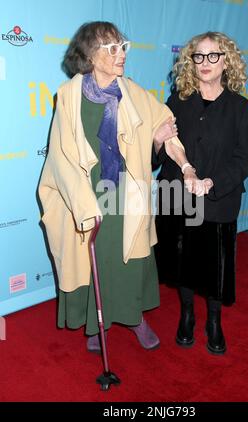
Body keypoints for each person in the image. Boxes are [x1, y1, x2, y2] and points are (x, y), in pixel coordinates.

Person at [38, 21, 206, 354]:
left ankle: (133, 318)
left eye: (122, 46)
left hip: (127, 194)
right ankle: (95, 323)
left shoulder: (133, 92)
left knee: (128, 259)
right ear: (90, 54)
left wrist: (186, 167)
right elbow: (60, 158)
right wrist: (84, 205)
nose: (121, 54)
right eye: (111, 48)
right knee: (94, 260)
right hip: (85, 194)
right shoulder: (69, 96)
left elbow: (167, 131)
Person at [154, 32, 248, 355]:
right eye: (199, 56)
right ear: (191, 61)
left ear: (227, 61)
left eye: (214, 56)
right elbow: (159, 154)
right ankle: (187, 315)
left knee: (215, 266)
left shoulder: (242, 108)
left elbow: (245, 158)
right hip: (177, 195)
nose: (205, 63)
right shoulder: (176, 101)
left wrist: (212, 182)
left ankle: (214, 320)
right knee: (183, 260)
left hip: (218, 200)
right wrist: (157, 140)